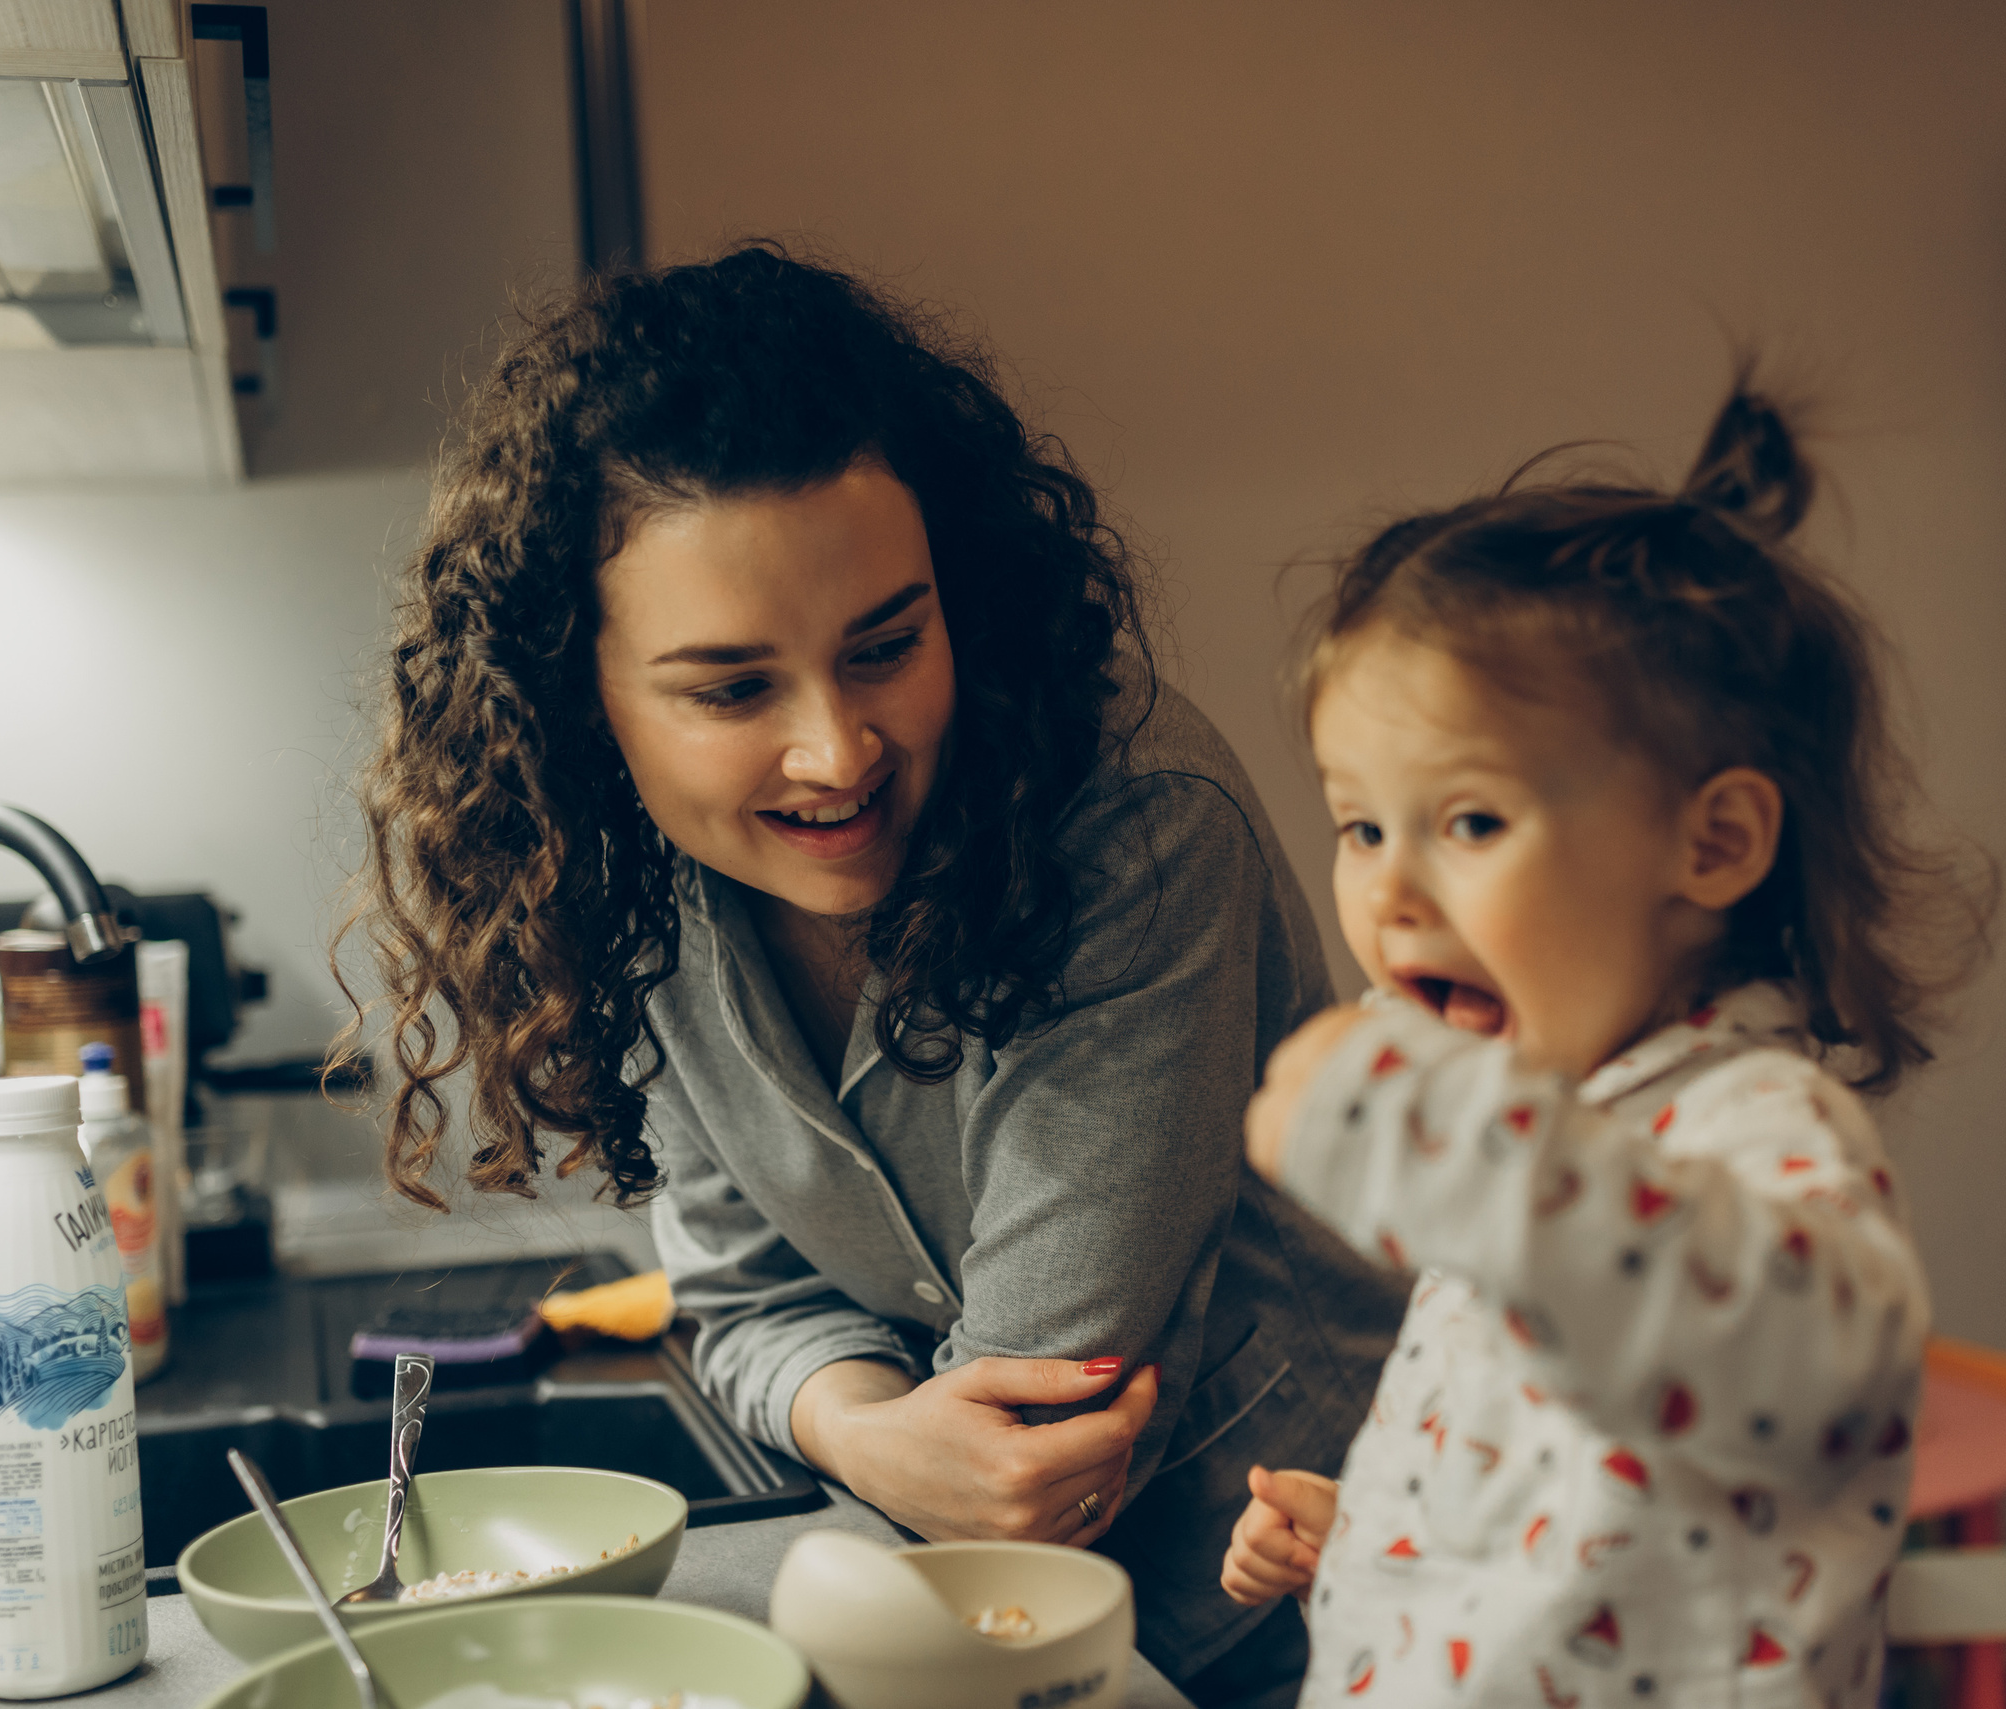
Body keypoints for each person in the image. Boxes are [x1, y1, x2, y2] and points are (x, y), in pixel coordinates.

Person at [340, 244, 1409, 1704]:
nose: (836, 751)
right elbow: (738, 1298)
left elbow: (1044, 1430)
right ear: (579, 693)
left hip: (1305, 1626)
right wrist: (860, 1432)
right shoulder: (636, 883)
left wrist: (876, 1428)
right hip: (975, 1621)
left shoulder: (1137, 828)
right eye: (730, 687)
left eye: (886, 645)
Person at [1218, 385, 1992, 1705]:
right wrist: (1381, 1541)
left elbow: (1811, 1367)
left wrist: (1466, 1149)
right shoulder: (1559, 1119)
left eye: (1468, 822)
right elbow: (1591, 1502)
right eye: (1360, 826)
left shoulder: (1753, 1130)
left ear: (1714, 844)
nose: (1389, 892)